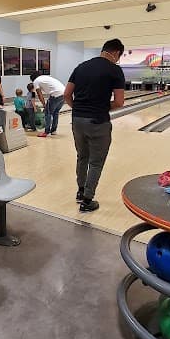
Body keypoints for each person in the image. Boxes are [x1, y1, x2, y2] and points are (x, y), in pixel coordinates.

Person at [63, 39, 126, 213]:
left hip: (77, 120)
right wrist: (102, 107)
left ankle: (80, 191)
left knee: (82, 157)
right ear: (116, 53)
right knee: (96, 162)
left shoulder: (81, 67)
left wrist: (78, 108)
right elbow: (120, 102)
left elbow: (67, 94)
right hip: (98, 122)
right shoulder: (115, 70)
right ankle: (87, 200)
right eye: (119, 56)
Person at [30, 71, 65, 138]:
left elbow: (39, 94)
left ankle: (46, 132)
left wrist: (44, 104)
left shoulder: (36, 81)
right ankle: (53, 131)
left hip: (56, 94)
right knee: (56, 112)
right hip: (64, 93)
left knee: (47, 113)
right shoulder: (45, 77)